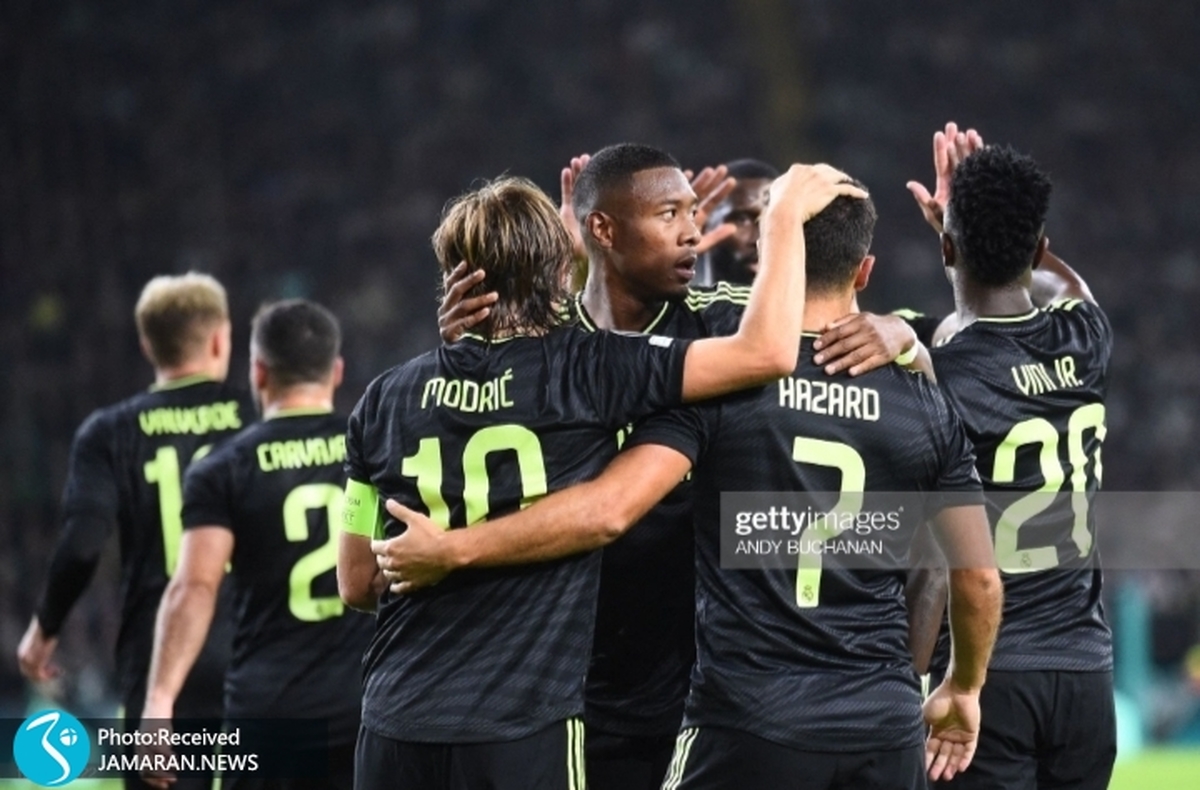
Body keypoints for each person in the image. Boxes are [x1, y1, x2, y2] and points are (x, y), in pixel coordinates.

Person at [376, 177, 1004, 790]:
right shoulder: (925, 406)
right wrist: (963, 686)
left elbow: (609, 507)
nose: (690, 233)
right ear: (863, 272)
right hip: (879, 723)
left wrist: (499, 336)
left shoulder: (721, 392)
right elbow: (977, 576)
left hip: (741, 717)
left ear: (770, 261)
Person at [907, 134, 1116, 789]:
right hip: (1087, 677)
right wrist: (974, 225)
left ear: (947, 250)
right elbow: (1063, 280)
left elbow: (933, 562)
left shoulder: (939, 379)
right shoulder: (1087, 337)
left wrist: (909, 683)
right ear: (1038, 244)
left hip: (986, 673)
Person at [17, 272, 253, 790]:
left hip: (157, 657)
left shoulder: (110, 431)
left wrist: (44, 630)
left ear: (148, 345)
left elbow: (82, 544)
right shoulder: (257, 417)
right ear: (220, 338)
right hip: (255, 647)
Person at [140, 299, 370, 790]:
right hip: (366, 709)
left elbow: (195, 587)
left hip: (268, 714)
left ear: (258, 372)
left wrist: (159, 700)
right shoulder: (375, 450)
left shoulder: (222, 469)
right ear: (336, 371)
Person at [700, 158, 780, 286]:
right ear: (703, 226)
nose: (760, 239)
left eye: (772, 220)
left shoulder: (805, 298)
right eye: (742, 220)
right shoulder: (672, 298)